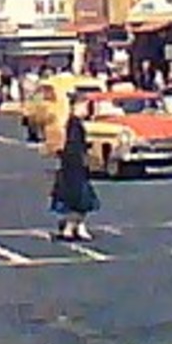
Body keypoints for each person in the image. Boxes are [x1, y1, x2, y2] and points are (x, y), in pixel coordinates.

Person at [50, 98, 99, 242]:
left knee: (79, 198)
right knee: (78, 197)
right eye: (85, 106)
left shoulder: (74, 123)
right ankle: (71, 227)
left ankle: (75, 227)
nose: (87, 110)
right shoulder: (74, 124)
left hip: (73, 165)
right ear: (77, 107)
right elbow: (73, 146)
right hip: (74, 166)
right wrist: (82, 159)